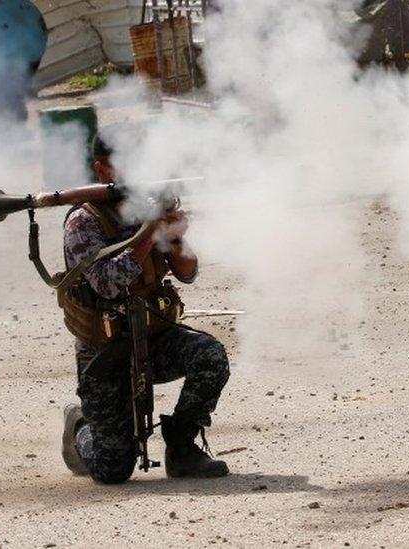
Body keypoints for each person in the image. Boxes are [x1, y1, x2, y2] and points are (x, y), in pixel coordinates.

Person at [59, 135, 231, 484]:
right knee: (113, 470)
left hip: (154, 337)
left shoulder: (148, 206)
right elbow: (107, 283)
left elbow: (188, 273)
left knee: (210, 356)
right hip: (105, 353)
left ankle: (182, 447)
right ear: (101, 168)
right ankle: (80, 427)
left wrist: (176, 237)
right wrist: (149, 233)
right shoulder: (84, 222)